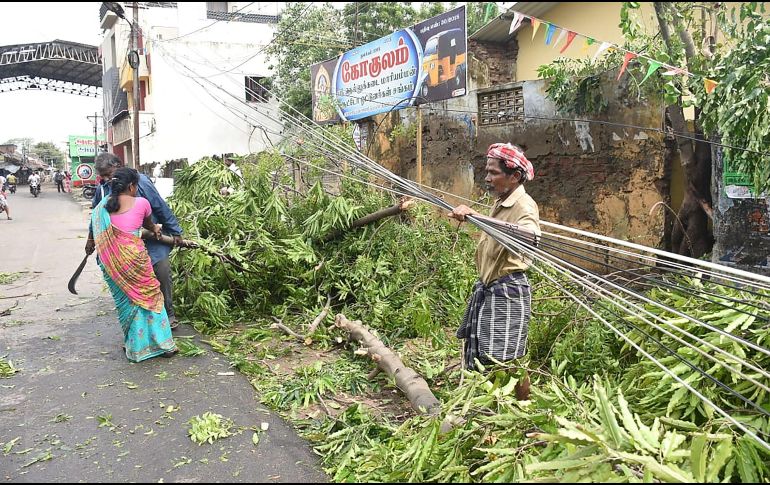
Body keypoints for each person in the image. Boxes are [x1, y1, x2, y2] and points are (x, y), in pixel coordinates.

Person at [448, 143, 540, 400]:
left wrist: (478, 216)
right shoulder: (502, 202)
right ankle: (491, 403)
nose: (487, 178)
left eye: (493, 173)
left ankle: (521, 407)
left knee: (506, 356)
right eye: (486, 172)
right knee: (486, 352)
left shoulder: (523, 205)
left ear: (514, 176)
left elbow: (531, 237)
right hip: (491, 288)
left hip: (508, 290)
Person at [86, 167, 177, 362]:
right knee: (152, 296)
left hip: (111, 263)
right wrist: (157, 229)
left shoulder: (100, 208)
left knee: (128, 302)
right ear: (131, 186)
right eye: (136, 186)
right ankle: (164, 346)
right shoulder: (142, 203)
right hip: (134, 260)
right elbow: (148, 224)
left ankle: (136, 347)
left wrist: (89, 243)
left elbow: (93, 231)